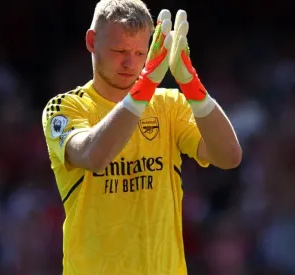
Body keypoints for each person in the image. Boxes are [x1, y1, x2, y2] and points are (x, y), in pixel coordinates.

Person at [41, 0, 242, 274]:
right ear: (91, 41)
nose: (129, 63)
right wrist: (146, 84)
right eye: (119, 51)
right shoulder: (65, 108)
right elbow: (94, 156)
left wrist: (190, 83)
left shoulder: (169, 105)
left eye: (139, 53)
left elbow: (229, 156)